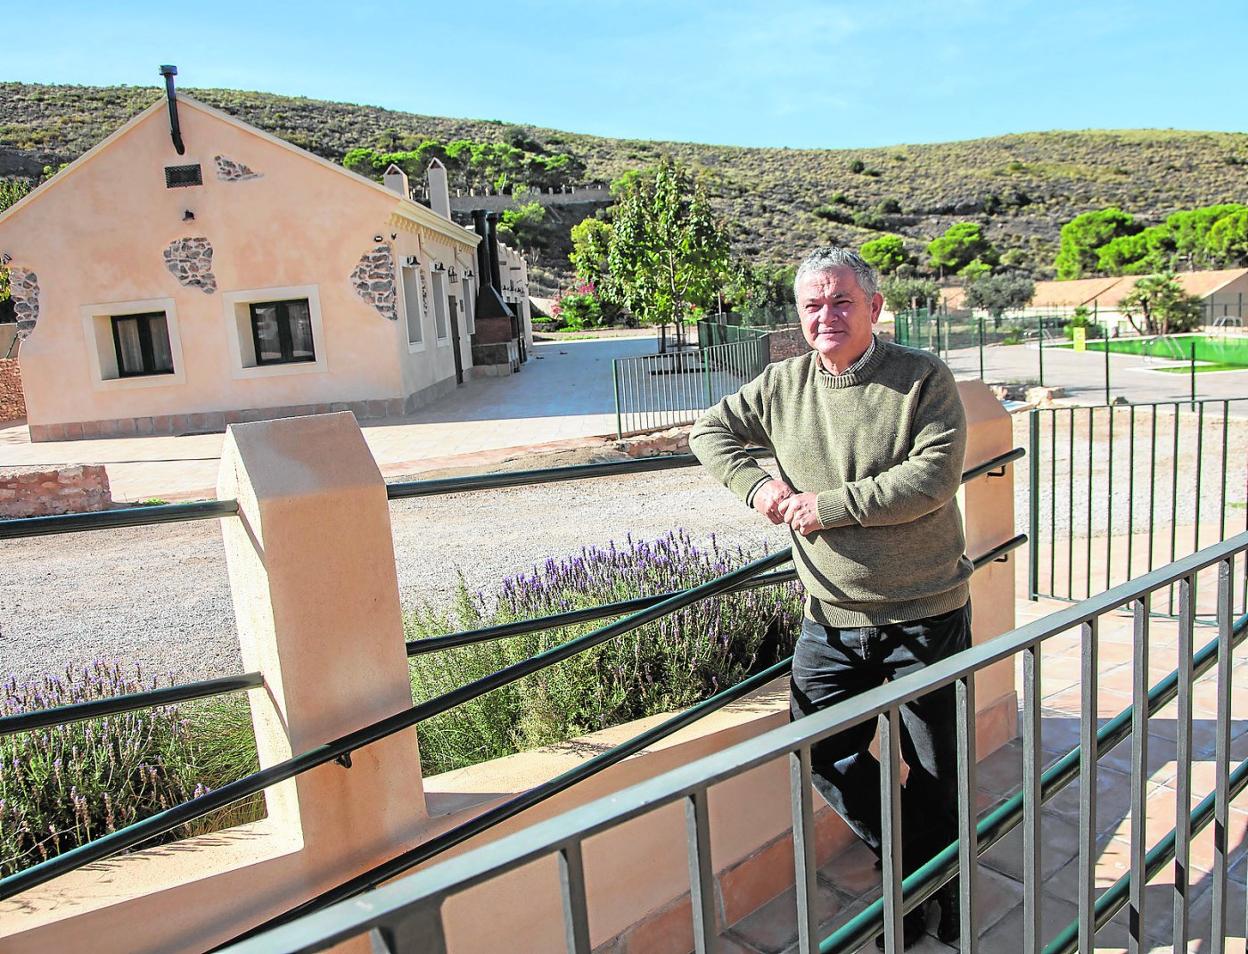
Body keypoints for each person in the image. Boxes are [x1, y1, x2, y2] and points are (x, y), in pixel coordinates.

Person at [690, 246, 972, 949]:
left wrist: (825, 507)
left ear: (875, 307)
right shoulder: (782, 384)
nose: (827, 316)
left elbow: (932, 479)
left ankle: (938, 892)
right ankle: (916, 868)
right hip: (830, 619)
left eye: (842, 301)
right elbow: (709, 431)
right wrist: (758, 487)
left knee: (935, 773)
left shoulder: (922, 378)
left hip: (926, 612)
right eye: (812, 305)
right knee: (819, 750)